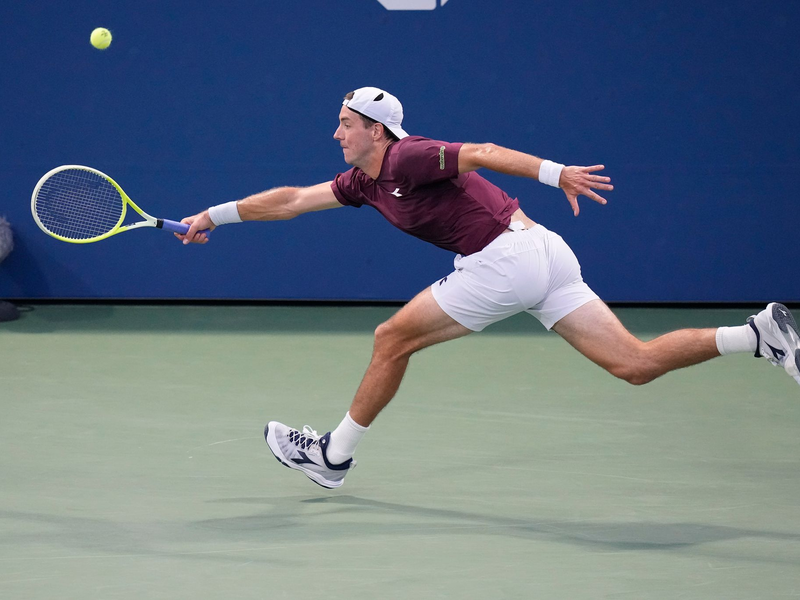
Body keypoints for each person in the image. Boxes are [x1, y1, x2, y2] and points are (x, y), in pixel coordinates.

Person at [177, 86, 800, 489]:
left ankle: (333, 456)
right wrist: (215, 214)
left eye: (345, 124)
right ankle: (758, 334)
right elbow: (288, 202)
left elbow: (481, 150)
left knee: (391, 338)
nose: (336, 134)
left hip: (508, 257)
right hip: (546, 255)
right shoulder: (363, 183)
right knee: (633, 364)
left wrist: (557, 174)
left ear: (377, 129)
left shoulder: (408, 157)